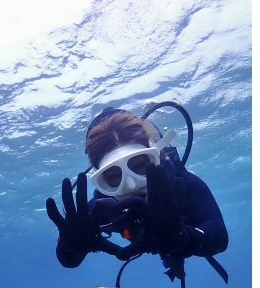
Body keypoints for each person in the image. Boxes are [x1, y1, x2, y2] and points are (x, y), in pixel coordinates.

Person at [46, 107, 228, 272]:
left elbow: (219, 236)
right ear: (100, 179)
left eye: (141, 165)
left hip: (180, 239)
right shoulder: (99, 208)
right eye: (114, 176)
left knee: (174, 258)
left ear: (157, 157)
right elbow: (68, 260)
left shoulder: (181, 184)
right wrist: (70, 247)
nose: (131, 185)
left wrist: (187, 238)